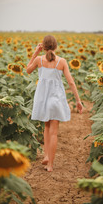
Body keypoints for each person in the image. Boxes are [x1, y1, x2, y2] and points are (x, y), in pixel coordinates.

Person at [26, 35, 83, 172]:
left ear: (43, 47)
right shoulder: (62, 61)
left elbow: (28, 70)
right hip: (56, 99)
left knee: (46, 127)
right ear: (56, 46)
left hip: (42, 99)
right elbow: (71, 82)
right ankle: (50, 164)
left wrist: (35, 52)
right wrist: (78, 100)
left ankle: (46, 155)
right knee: (54, 133)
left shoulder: (39, 60)